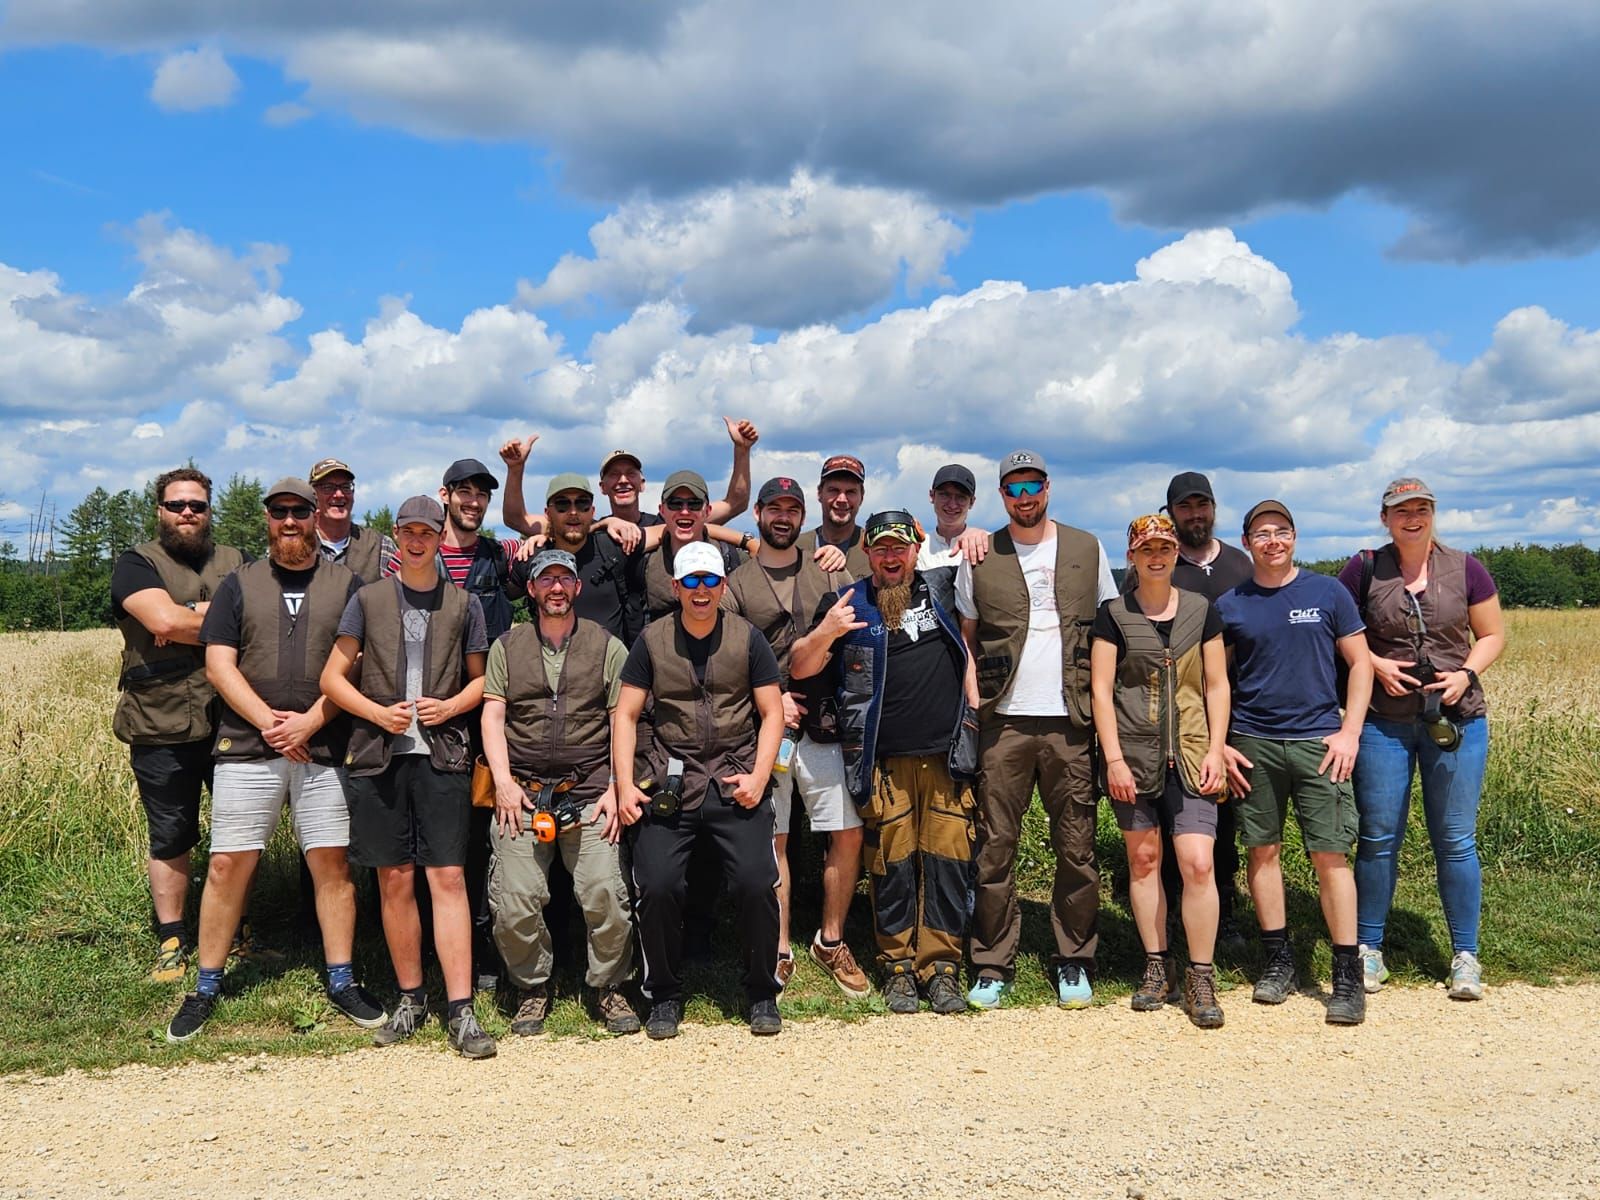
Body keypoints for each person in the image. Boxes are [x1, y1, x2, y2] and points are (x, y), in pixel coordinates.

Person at [165, 480, 384, 1043]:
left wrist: (310, 722)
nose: (290, 521)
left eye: (300, 512)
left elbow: (359, 668)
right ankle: (206, 986)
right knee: (226, 865)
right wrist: (270, 723)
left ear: (315, 517)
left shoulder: (349, 586)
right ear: (267, 519)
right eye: (280, 512)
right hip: (247, 745)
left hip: (325, 747)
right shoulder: (238, 585)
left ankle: (343, 980)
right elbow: (219, 665)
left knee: (332, 866)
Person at [320, 496, 495, 1058]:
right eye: (409, 531)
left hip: (443, 757)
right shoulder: (367, 600)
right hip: (380, 756)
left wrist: (451, 707)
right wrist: (376, 713)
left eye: (428, 532)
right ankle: (411, 997)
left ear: (441, 537)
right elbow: (332, 679)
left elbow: (482, 681)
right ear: (396, 535)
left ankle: (461, 1009)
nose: (418, 540)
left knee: (448, 878)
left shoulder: (464, 604)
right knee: (394, 880)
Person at [790, 511, 979, 1015]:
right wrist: (827, 631)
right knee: (890, 867)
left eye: (899, 548)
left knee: (947, 865)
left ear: (916, 550)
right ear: (867, 554)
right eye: (881, 549)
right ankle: (897, 967)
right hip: (883, 761)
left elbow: (971, 637)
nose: (891, 558)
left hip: (945, 758)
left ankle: (941, 968)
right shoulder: (846, 603)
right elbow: (800, 666)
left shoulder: (943, 588)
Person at [956, 450, 1119, 1010]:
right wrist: (974, 697)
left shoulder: (1087, 547)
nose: (1024, 498)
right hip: (1003, 720)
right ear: (1002, 495)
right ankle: (991, 963)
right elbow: (967, 637)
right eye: (1013, 489)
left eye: (1032, 487)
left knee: (1076, 847)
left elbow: (1109, 630)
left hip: (1071, 720)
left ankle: (1074, 958)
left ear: (1048, 487)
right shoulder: (981, 553)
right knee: (994, 847)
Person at [612, 542, 787, 1039]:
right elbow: (625, 715)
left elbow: (772, 711)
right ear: (676, 588)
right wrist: (625, 786)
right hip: (673, 776)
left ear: (723, 585)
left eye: (710, 580)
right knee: (658, 884)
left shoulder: (749, 638)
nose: (701, 590)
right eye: (691, 581)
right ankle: (663, 994)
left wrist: (759, 776)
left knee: (757, 882)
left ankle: (761, 990)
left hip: (735, 776)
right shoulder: (651, 640)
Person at [1341, 478, 1505, 1001]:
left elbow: (1492, 634)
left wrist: (1466, 675)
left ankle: (1465, 956)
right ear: (1385, 518)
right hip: (1382, 723)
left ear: (1433, 513)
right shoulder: (1364, 568)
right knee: (1378, 837)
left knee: (1455, 839)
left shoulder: (1466, 568)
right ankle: (1369, 949)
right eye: (1401, 510)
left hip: (1457, 721)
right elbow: (1339, 633)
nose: (1412, 518)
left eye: (1421, 509)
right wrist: (1374, 663)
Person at [1217, 500, 1373, 1025]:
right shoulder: (1232, 605)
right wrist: (1221, 741)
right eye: (1262, 534)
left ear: (1295, 536)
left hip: (1319, 742)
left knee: (1330, 855)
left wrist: (1349, 732)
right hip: (1253, 743)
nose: (1273, 541)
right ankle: (1278, 961)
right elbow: (1216, 681)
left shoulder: (1328, 593)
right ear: (1247, 543)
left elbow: (1360, 664)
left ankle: (1347, 974)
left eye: (1281, 531)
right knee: (1262, 851)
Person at [481, 549, 639, 1036]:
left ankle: (610, 985)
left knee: (605, 891)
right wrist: (503, 784)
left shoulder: (608, 646)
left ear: (577, 588)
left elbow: (622, 719)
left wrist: (616, 786)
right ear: (530, 589)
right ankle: (531, 986)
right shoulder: (506, 646)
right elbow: (493, 715)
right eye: (545, 579)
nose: (555, 587)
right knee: (513, 900)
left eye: (564, 579)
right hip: (522, 794)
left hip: (590, 791)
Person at [722, 477, 867, 997]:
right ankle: (780, 947)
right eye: (774, 508)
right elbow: (726, 654)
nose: (782, 517)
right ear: (758, 513)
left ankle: (831, 939)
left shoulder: (827, 568)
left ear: (803, 517)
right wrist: (771, 697)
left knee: (846, 831)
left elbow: (855, 630)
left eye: (792, 509)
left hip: (825, 723)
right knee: (775, 837)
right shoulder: (737, 584)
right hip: (765, 727)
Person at [1090, 514, 1230, 1029]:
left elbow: (1216, 684)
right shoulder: (1113, 614)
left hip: (1192, 755)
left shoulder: (1201, 610)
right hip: (1133, 757)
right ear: (1131, 555)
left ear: (1176, 554)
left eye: (1165, 548)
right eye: (1146, 549)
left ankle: (1201, 974)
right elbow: (1101, 690)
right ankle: (1156, 965)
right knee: (1144, 860)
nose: (1156, 557)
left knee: (1198, 863)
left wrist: (1217, 749)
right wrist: (1113, 759)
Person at [110, 466, 246, 981]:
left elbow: (260, 618)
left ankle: (238, 931)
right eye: (177, 505)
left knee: (239, 830)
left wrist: (188, 614)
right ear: (160, 510)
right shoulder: (136, 563)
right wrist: (209, 618)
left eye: (197, 505)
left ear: (209, 511)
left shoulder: (237, 560)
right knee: (171, 832)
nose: (187, 513)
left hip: (233, 719)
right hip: (161, 719)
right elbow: (162, 621)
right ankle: (173, 938)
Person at [1127, 472, 1255, 951]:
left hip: (1232, 710)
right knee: (1166, 824)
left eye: (1202, 505)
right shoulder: (1158, 564)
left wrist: (1222, 737)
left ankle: (1226, 910)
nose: (1195, 514)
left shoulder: (1239, 564)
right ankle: (1170, 919)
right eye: (1185, 507)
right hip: (1166, 718)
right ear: (1171, 513)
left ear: (1214, 508)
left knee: (1223, 822)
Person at [496, 418, 759, 541]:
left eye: (630, 473)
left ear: (642, 483)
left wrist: (742, 450)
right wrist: (516, 469)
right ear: (602, 488)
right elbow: (516, 519)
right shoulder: (582, 527)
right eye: (614, 474)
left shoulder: (672, 521)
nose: (623, 480)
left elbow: (735, 503)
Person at [641, 470, 747, 623]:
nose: (684, 511)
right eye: (675, 504)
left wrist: (749, 541)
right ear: (662, 510)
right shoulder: (645, 563)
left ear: (707, 511)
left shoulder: (731, 558)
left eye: (694, 504)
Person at [307, 457, 394, 584]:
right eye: (328, 487)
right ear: (312, 494)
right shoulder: (298, 544)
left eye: (346, 487)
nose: (339, 494)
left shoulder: (380, 547)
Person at [916, 463, 990, 612]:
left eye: (961, 497)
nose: (952, 504)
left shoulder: (986, 543)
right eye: (945, 495)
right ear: (932, 495)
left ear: (972, 502)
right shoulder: (917, 547)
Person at [795, 455, 872, 578]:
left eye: (850, 492)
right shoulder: (796, 548)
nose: (842, 499)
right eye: (834, 490)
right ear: (819, 493)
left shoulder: (874, 551)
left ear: (861, 497)